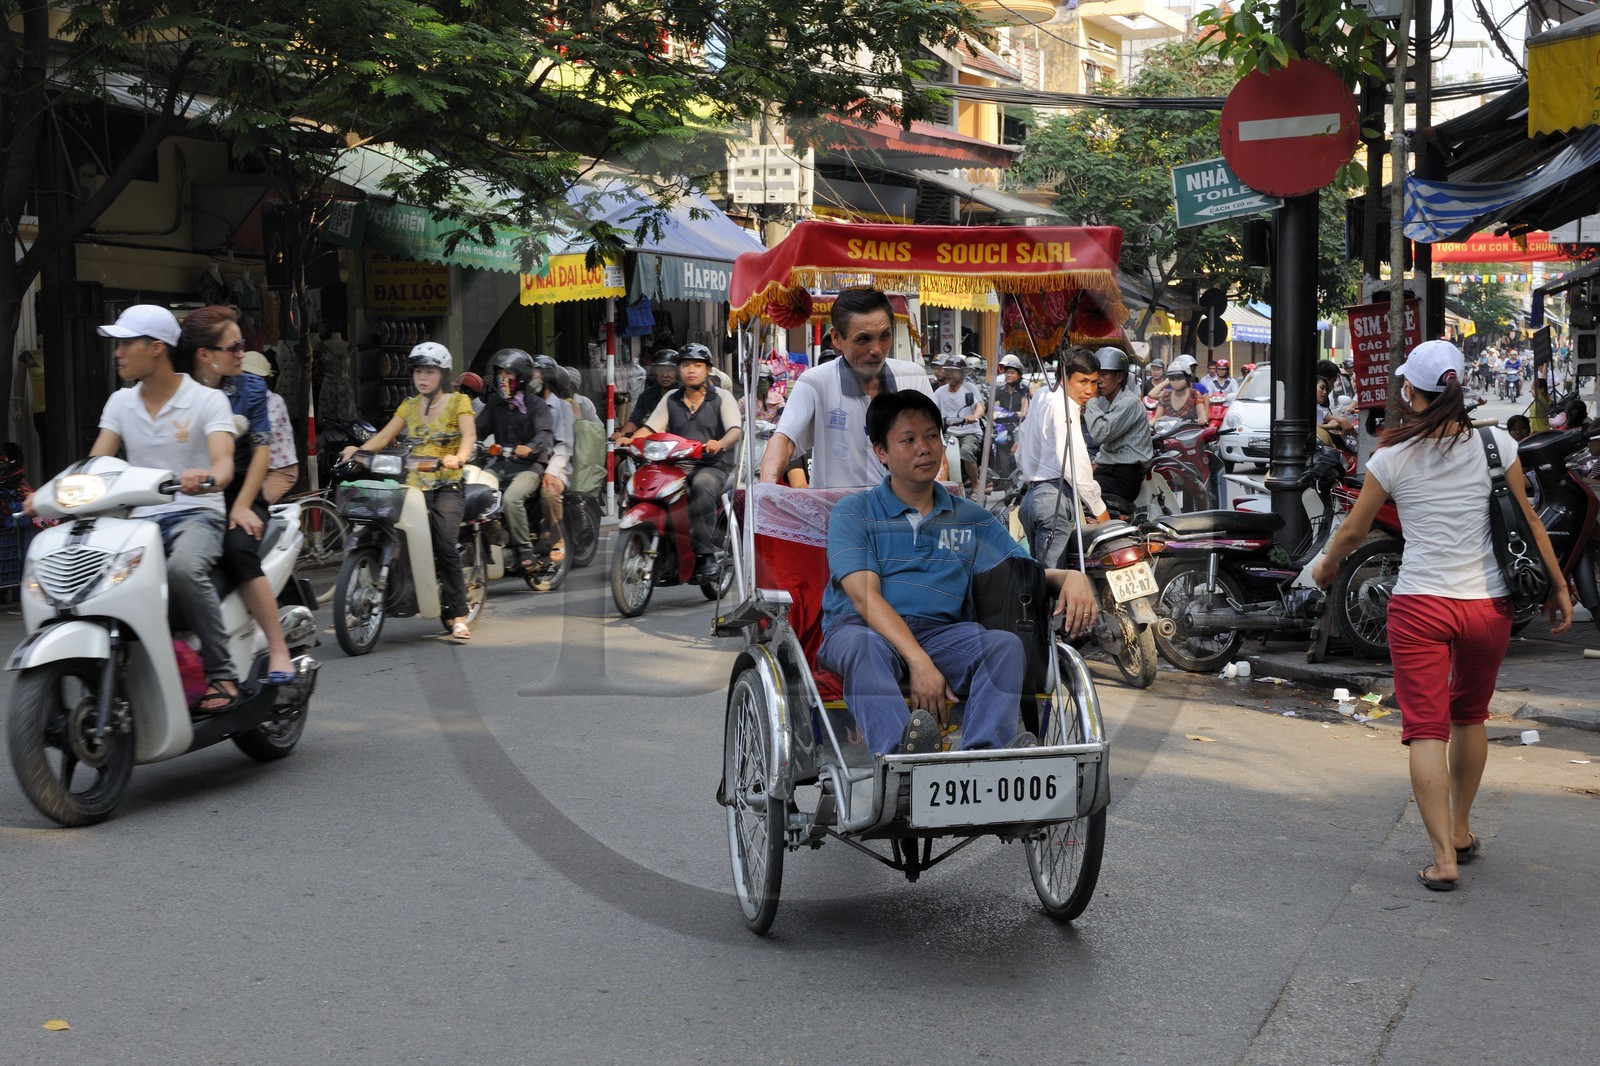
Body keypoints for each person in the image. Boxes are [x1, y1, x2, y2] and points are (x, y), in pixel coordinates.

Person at [1312, 340, 1570, 892]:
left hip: (1420, 608)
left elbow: (1355, 530)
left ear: (1413, 392)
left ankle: (1442, 860)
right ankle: (1459, 828)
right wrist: (1560, 588)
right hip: (1488, 607)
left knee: (1425, 729)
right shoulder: (1497, 444)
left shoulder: (1390, 457)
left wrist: (1327, 565)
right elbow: (1531, 520)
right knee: (1469, 716)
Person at [818, 390, 1099, 756]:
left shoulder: (970, 518)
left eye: (932, 436)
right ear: (881, 452)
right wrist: (919, 662)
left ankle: (984, 756)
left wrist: (1070, 578)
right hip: (862, 628)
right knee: (866, 648)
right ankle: (900, 761)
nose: (925, 448)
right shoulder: (854, 512)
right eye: (909, 440)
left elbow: (1020, 572)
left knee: (1002, 646)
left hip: (941, 632)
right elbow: (863, 598)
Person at [86, 305, 240, 710]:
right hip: (140, 520)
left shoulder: (207, 401)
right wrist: (48, 493)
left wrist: (207, 476)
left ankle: (222, 674)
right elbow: (96, 464)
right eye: (116, 344)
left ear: (156, 348)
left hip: (197, 514)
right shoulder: (120, 403)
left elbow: (223, 462)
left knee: (183, 570)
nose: (117, 352)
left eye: (125, 343)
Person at [182, 310, 297, 686]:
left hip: (240, 489)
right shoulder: (176, 389)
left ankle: (277, 647)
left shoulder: (251, 388)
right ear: (204, 354)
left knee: (236, 548)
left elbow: (262, 452)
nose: (241, 354)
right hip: (186, 494)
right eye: (234, 347)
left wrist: (245, 504)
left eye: (242, 346)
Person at [342, 342, 477, 639]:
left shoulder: (459, 403)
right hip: (413, 486)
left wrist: (460, 455)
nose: (422, 377)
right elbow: (383, 437)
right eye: (418, 371)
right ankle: (364, 605)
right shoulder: (408, 406)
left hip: (447, 484)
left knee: (444, 545)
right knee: (385, 535)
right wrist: (358, 451)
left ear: (442, 374)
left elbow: (468, 436)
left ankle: (457, 613)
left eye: (429, 371)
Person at [758, 287, 938, 488]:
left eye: (885, 336)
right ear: (836, 339)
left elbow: (935, 448)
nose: (877, 350)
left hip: (906, 514)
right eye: (864, 339)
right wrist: (766, 489)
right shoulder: (815, 382)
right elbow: (784, 441)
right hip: (836, 514)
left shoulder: (913, 377)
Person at [633, 343, 741, 582]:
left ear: (708, 370)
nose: (691, 370)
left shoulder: (722, 398)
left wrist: (720, 443)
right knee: (648, 487)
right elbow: (651, 428)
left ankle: (706, 554)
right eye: (685, 365)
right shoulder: (671, 399)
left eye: (697, 365)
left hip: (712, 465)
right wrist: (629, 439)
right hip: (676, 466)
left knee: (702, 487)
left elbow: (734, 429)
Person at [1017, 348, 1110, 567]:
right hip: (1052, 501)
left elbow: (1021, 443)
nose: (1089, 390)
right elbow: (1074, 463)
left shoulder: (1042, 395)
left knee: (1044, 579)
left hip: (1033, 500)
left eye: (1094, 382)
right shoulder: (1063, 405)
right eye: (1083, 381)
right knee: (1055, 584)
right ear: (1064, 378)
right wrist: (1099, 510)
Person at [476, 348, 555, 572]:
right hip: (500, 465)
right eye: (500, 373)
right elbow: (477, 429)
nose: (503, 379)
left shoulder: (536, 405)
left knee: (511, 498)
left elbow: (544, 435)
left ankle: (525, 549)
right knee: (478, 492)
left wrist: (529, 448)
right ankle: (487, 539)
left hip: (530, 467)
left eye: (508, 374)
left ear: (521, 377)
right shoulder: (493, 404)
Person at [1084, 346, 1154, 503]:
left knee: (1080, 493)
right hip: (1109, 471)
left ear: (1119, 377)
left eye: (1104, 374)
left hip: (1124, 477)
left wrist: (1092, 400)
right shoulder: (1112, 403)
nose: (1098, 380)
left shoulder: (1129, 402)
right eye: (1096, 375)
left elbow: (1100, 433)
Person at [530, 354, 575, 567]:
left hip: (556, 466)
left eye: (536, 373)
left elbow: (564, 446)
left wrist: (551, 471)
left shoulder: (562, 408)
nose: (531, 378)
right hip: (530, 465)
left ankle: (556, 539)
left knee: (549, 492)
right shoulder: (525, 405)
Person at [241, 351, 300, 504]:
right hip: (254, 468)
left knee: (254, 505)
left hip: (280, 471)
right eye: (244, 375)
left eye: (252, 376)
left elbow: (262, 434)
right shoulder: (240, 401)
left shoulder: (275, 401)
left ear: (263, 380)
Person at [933, 354, 985, 495]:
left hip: (970, 432)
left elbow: (980, 406)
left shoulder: (970, 388)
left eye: (952, 371)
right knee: (937, 455)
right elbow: (931, 410)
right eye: (947, 370)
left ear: (961, 373)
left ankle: (975, 485)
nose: (948, 374)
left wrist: (974, 416)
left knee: (966, 451)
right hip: (949, 433)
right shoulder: (939, 392)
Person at [612, 351, 678, 442]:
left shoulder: (684, 393)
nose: (665, 375)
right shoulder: (647, 395)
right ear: (655, 372)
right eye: (661, 370)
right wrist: (621, 435)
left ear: (678, 372)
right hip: (655, 444)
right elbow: (635, 420)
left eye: (670, 370)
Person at [989, 353, 1031, 481]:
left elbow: (1025, 406)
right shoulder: (999, 389)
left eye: (1012, 373)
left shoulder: (1024, 389)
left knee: (1018, 448)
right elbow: (990, 404)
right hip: (1002, 424)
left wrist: (1022, 412)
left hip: (1019, 424)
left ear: (1018, 375)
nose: (1009, 375)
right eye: (1007, 373)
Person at [1147, 354, 1209, 423]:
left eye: (1179, 377)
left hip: (1190, 432)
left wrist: (1200, 421)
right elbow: (1156, 418)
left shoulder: (1195, 394)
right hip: (1168, 432)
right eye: (1172, 378)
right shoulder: (1166, 395)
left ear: (1187, 378)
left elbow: (1203, 417)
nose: (1175, 381)